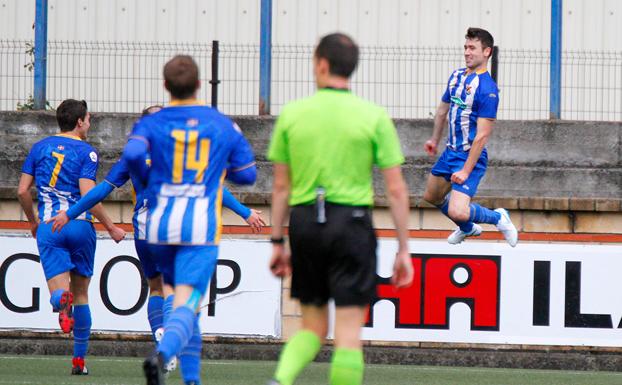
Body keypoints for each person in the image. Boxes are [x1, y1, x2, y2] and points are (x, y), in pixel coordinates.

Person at [47, 106, 266, 357]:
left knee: (156, 288)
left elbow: (100, 190)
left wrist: (69, 213)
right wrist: (244, 212)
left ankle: (159, 334)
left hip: (144, 228)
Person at [266, 33, 414, 385]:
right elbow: (396, 189)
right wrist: (404, 248)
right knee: (348, 334)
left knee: (312, 328)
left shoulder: (293, 114)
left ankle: (281, 380)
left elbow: (281, 186)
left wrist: (276, 241)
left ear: (321, 64)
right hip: (352, 224)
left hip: (305, 223)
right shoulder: (373, 116)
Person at [122, 55, 257, 385]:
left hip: (158, 224)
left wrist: (150, 181)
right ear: (199, 85)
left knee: (178, 299)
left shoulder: (151, 123)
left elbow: (133, 155)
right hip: (199, 228)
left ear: (166, 86)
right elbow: (248, 174)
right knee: (187, 302)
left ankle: (191, 380)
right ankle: (163, 353)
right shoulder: (220, 123)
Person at [17, 99, 126, 375]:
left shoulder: (39, 148)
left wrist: (33, 222)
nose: (89, 124)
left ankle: (58, 301)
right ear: (79, 122)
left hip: (49, 226)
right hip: (79, 226)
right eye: (88, 120)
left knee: (59, 292)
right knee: (81, 296)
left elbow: (21, 192)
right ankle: (79, 361)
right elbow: (89, 195)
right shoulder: (86, 152)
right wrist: (111, 226)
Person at [422, 27, 518, 247]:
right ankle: (468, 228)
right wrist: (434, 140)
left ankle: (499, 218)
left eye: (472, 48)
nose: (466, 52)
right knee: (432, 196)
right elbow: (442, 110)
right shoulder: (456, 77)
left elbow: (482, 136)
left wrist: (465, 169)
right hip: (449, 153)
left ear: (487, 52)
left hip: (469, 157)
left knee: (458, 210)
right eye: (465, 47)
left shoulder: (488, 90)